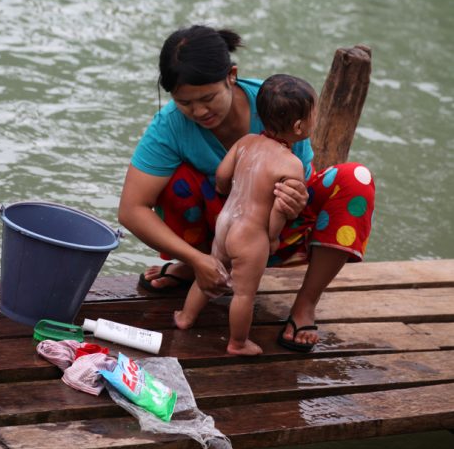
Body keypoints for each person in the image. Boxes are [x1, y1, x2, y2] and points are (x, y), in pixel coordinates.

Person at [118, 25, 375, 352]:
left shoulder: (277, 106)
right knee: (175, 177)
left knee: (355, 179)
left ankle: (305, 305)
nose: (198, 112)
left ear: (232, 76)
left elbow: (294, 192)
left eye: (207, 98)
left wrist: (296, 201)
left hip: (270, 236)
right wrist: (197, 258)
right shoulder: (170, 125)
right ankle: (193, 265)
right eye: (185, 103)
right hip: (228, 237)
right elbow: (131, 209)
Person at [174, 74, 317, 356]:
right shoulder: (291, 163)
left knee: (211, 274)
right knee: (243, 293)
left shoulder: (246, 142)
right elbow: (279, 208)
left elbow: (222, 178)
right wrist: (273, 237)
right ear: (299, 126)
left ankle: (185, 317)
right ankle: (238, 342)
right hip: (251, 234)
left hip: (226, 223)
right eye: (316, 115)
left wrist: (225, 188)